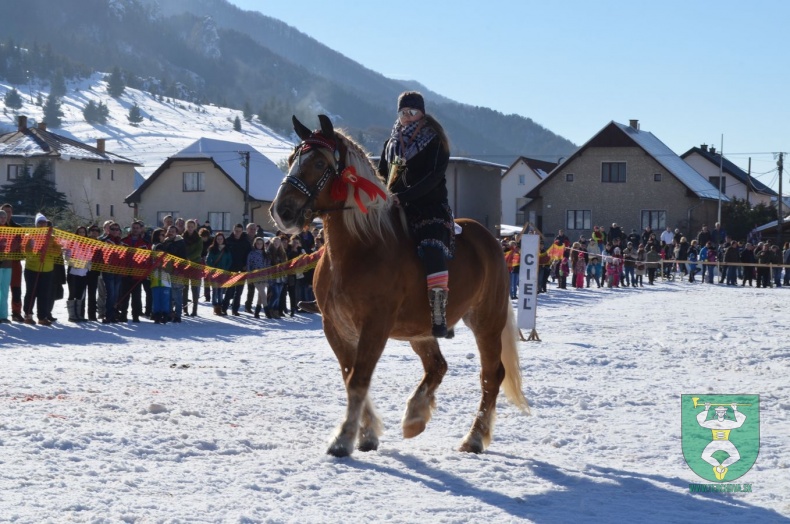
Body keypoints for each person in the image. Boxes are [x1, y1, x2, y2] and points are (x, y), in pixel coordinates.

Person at [378, 91, 454, 337]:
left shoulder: (435, 140)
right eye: (402, 113)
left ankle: (439, 311)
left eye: (412, 112)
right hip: (393, 204)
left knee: (432, 248)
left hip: (428, 206)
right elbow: (381, 174)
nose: (407, 117)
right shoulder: (390, 143)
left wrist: (405, 197)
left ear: (422, 113)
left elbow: (433, 178)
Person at [22, 213, 60, 325]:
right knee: (31, 292)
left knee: (44, 293)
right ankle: (28, 315)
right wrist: (36, 251)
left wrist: (47, 251)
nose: (42, 224)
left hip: (47, 269)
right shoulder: (29, 235)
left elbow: (57, 252)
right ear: (36, 224)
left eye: (44, 222)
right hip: (32, 268)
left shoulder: (52, 238)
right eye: (40, 222)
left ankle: (42, 317)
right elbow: (25, 251)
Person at [120, 220, 150, 322]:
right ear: (131, 229)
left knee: (136, 296)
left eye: (137, 228)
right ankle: (123, 314)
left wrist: (145, 272)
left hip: (137, 274)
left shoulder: (144, 244)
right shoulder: (124, 241)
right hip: (125, 272)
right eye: (134, 228)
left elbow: (148, 259)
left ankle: (135, 315)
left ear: (140, 229)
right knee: (124, 295)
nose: (135, 230)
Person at [1, 203, 24, 322]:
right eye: (5, 212)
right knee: (1, 288)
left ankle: (16, 312)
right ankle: (2, 313)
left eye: (9, 212)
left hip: (14, 261)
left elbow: (22, 245)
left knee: (16, 288)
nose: (7, 215)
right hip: (2, 262)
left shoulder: (18, 227)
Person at [63, 226, 90, 322]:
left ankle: (78, 315)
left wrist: (87, 266)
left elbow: (90, 258)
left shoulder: (88, 244)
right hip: (73, 272)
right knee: (72, 293)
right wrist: (75, 264)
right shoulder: (72, 243)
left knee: (80, 294)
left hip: (84, 272)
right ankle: (72, 315)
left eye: (83, 232)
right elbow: (67, 257)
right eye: (80, 232)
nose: (81, 234)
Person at [161, 225, 187, 322]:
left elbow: (181, 257)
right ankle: (169, 313)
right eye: (169, 230)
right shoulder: (165, 242)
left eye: (173, 231)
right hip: (167, 271)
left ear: (176, 233)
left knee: (177, 294)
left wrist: (180, 271)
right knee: (168, 294)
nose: (171, 232)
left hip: (177, 272)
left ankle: (178, 315)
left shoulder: (180, 242)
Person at [206, 232, 232, 315]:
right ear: (215, 240)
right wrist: (213, 269)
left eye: (221, 239)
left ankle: (220, 306)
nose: (220, 240)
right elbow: (208, 260)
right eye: (218, 239)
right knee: (215, 290)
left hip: (223, 273)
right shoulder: (212, 249)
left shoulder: (227, 249)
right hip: (214, 273)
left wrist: (225, 269)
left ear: (223, 239)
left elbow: (229, 261)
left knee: (221, 291)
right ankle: (215, 306)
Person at [182, 219, 203, 316]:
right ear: (186, 227)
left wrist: (188, 258)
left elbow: (198, 252)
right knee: (184, 288)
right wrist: (184, 258)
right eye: (188, 226)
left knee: (195, 288)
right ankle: (185, 308)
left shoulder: (198, 239)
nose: (190, 228)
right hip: (185, 265)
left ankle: (195, 309)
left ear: (194, 227)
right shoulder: (182, 238)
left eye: (192, 226)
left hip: (196, 264)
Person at [245, 237, 270, 318]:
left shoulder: (265, 253)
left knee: (260, 295)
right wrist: (249, 277)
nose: (259, 245)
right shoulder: (251, 254)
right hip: (255, 276)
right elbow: (248, 266)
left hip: (264, 276)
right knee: (263, 293)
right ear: (255, 244)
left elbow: (268, 265)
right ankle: (267, 310)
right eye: (257, 243)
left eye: (261, 243)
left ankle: (257, 312)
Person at [0, 209, 12, 323]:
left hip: (7, 264)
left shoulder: (9, 231)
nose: (2, 219)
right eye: (0, 217)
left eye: (4, 217)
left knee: (4, 290)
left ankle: (3, 315)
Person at [243, 222, 258, 313]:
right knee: (238, 288)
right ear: (247, 229)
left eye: (254, 229)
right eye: (250, 229)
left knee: (251, 288)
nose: (252, 230)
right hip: (243, 266)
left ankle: (248, 306)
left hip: (254, 268)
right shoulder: (243, 239)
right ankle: (233, 304)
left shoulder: (258, 239)